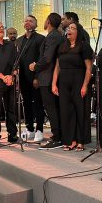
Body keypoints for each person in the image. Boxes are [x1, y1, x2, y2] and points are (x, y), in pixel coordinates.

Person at [52, 22, 93, 151]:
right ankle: (70, 140)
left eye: (73, 28)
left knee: (79, 110)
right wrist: (54, 83)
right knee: (65, 111)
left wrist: (85, 85)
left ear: (78, 32)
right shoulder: (62, 46)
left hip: (78, 80)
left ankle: (80, 140)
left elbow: (88, 68)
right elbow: (57, 67)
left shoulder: (84, 46)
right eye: (68, 28)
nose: (69, 30)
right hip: (63, 81)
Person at [31, 13, 64, 150]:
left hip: (48, 77)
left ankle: (57, 137)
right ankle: (58, 135)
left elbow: (47, 58)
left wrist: (35, 66)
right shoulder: (54, 35)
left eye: (45, 20)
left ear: (49, 21)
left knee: (52, 109)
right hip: (48, 77)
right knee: (52, 109)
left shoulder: (53, 36)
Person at [15, 15, 45, 143]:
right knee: (26, 103)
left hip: (35, 77)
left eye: (31, 21)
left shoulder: (41, 39)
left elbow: (42, 59)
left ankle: (39, 129)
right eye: (26, 20)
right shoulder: (19, 40)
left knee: (38, 103)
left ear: (36, 25)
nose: (27, 22)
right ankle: (29, 128)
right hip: (22, 78)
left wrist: (37, 77)